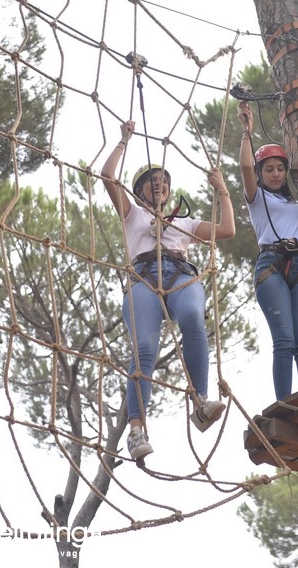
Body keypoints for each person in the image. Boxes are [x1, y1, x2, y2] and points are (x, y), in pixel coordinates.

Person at [101, 119, 235, 460]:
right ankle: (136, 429)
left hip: (179, 275)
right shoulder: (132, 215)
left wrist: (222, 190)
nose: (159, 186)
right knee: (144, 348)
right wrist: (123, 141)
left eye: (163, 182)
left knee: (192, 316)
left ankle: (200, 401)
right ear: (140, 190)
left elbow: (228, 230)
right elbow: (106, 176)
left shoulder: (185, 223)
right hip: (143, 279)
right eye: (151, 182)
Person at [238, 101, 298, 402]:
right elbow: (245, 166)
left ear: (286, 172)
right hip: (271, 263)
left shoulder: (297, 205)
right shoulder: (256, 197)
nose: (275, 173)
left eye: (280, 169)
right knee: (284, 341)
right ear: (261, 174)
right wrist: (246, 133)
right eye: (269, 169)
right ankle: (285, 404)